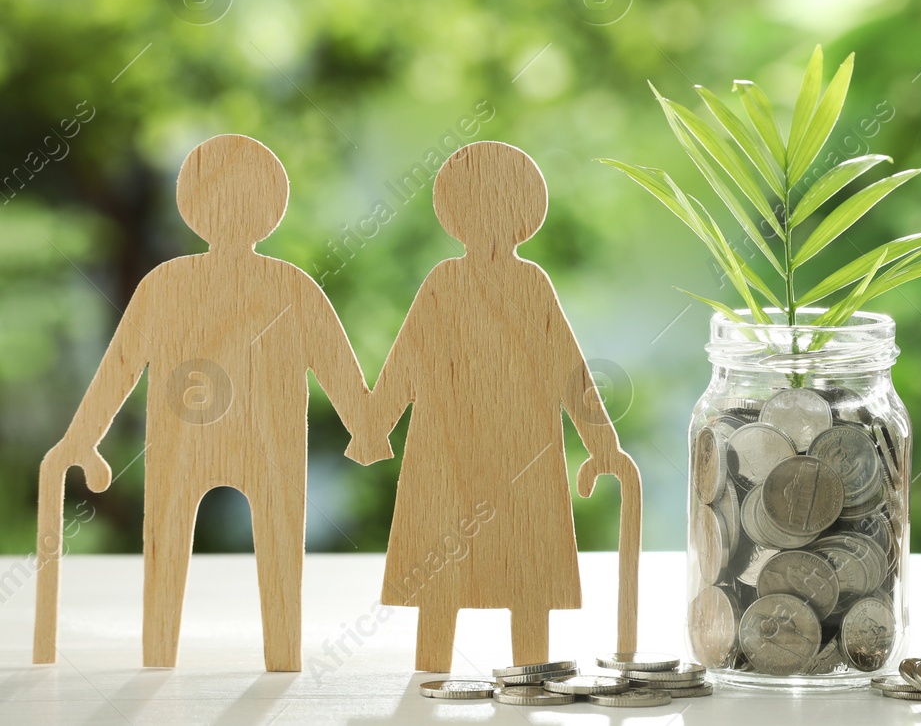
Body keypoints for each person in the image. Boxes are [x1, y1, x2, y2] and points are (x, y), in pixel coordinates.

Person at [44, 134, 375, 670]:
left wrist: (84, 437)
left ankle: (213, 655)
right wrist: (367, 427)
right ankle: (242, 656)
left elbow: (120, 367)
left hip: (234, 443)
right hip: (223, 443)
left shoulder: (175, 283)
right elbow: (122, 365)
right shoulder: (281, 284)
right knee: (202, 545)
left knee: (216, 545)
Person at [350, 141, 636, 672]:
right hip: (458, 455)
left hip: (514, 458)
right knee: (449, 573)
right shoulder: (452, 283)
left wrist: (603, 443)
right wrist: (371, 425)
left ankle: (524, 670)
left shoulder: (526, 285)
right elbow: (408, 361)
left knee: (519, 571)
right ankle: (439, 668)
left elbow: (570, 373)